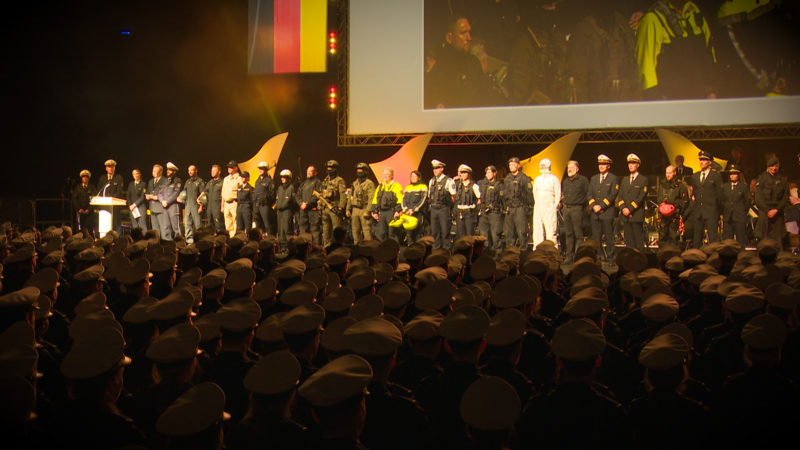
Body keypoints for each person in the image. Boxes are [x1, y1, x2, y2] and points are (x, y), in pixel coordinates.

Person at [634, 0, 717, 100]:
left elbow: (708, 51)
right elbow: (646, 67)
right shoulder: (651, 19)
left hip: (699, 95)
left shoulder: (694, 11)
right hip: (671, 98)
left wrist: (711, 90)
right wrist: (655, 100)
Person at [425, 15, 502, 109]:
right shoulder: (439, 67)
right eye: (463, 33)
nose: (469, 38)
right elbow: (434, 97)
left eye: (469, 32)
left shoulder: (474, 63)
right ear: (450, 38)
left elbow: (486, 97)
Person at [587, 154, 619, 261]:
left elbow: (613, 195)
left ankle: (611, 258)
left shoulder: (613, 178)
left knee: (609, 237)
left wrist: (601, 206)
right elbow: (589, 194)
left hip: (606, 213)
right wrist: (593, 205)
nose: (601, 166)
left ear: (608, 166)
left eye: (603, 164)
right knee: (596, 238)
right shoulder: (593, 178)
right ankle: (598, 257)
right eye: (600, 164)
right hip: (595, 214)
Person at [689, 151, 723, 247]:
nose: (701, 162)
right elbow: (694, 193)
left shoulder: (715, 176)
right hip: (698, 211)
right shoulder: (695, 176)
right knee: (697, 238)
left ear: (709, 162)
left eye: (704, 160)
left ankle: (714, 258)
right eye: (700, 160)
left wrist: (718, 210)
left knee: (713, 238)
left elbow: (719, 195)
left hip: (711, 211)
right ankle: (696, 258)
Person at [755, 156, 789, 245]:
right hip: (765, 214)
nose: (774, 168)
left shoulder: (782, 180)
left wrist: (776, 210)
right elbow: (758, 198)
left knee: (778, 241)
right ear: (768, 167)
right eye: (772, 166)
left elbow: (785, 197)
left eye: (776, 166)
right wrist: (767, 210)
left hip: (778, 214)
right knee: (764, 243)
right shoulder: (762, 179)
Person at [617, 153, 648, 251]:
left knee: (638, 242)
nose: (630, 165)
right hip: (625, 216)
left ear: (638, 165)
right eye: (629, 163)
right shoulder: (624, 180)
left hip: (636, 215)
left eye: (633, 163)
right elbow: (620, 196)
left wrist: (629, 209)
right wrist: (623, 208)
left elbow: (640, 197)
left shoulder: (643, 180)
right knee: (629, 243)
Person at [503, 156, 534, 249]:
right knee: (509, 233)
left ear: (518, 166)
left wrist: (529, 208)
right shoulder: (507, 179)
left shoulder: (524, 178)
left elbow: (529, 194)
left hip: (520, 208)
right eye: (510, 165)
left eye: (513, 164)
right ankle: (510, 252)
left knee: (521, 232)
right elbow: (504, 194)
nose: (511, 166)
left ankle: (523, 252)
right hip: (509, 209)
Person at [560, 160, 588, 264]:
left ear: (577, 169)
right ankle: (568, 257)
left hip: (577, 209)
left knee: (578, 234)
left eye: (572, 167)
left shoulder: (583, 180)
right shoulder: (566, 181)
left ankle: (578, 256)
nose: (569, 169)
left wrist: (581, 205)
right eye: (568, 168)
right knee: (569, 234)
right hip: (566, 209)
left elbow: (587, 194)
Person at [428, 159, 457, 250]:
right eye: (434, 168)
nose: (435, 170)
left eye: (437, 168)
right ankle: (436, 252)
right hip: (434, 209)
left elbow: (453, 197)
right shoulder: (431, 181)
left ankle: (446, 252)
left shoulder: (449, 181)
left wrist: (450, 210)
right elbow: (429, 196)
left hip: (444, 208)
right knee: (434, 232)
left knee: (445, 232)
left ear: (442, 169)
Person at [532, 158, 561, 247]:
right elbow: (535, 193)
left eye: (544, 165)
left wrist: (554, 207)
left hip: (550, 208)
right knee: (537, 231)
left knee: (551, 231)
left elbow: (557, 194)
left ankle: (552, 251)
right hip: (538, 208)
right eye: (541, 165)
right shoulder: (537, 179)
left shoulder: (554, 179)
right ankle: (537, 250)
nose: (542, 167)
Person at [657, 165, 688, 247]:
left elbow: (685, 202)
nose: (668, 175)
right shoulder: (662, 185)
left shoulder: (680, 186)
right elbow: (659, 198)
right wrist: (662, 205)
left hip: (675, 217)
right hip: (663, 217)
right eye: (666, 173)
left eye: (670, 173)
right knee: (662, 238)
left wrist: (675, 208)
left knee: (674, 238)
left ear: (674, 173)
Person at [477, 165, 504, 254]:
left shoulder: (499, 185)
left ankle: (498, 254)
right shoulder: (482, 184)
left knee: (495, 235)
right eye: (486, 172)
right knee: (484, 235)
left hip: (495, 213)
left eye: (489, 172)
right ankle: (485, 253)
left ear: (494, 173)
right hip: (484, 213)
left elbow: (503, 199)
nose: (487, 174)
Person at [371, 168, 403, 242]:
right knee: (381, 233)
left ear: (392, 176)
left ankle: (394, 250)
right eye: (384, 174)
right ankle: (383, 250)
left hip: (391, 212)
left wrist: (397, 211)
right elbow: (375, 199)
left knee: (392, 233)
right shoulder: (380, 186)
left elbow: (400, 199)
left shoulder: (396, 186)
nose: (385, 176)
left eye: (387, 174)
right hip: (381, 213)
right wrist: (374, 211)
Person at [347, 162, 376, 245]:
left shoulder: (369, 183)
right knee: (355, 232)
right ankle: (357, 250)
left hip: (364, 209)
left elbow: (371, 198)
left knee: (366, 232)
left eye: (361, 170)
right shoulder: (354, 183)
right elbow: (350, 196)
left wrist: (368, 211)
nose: (359, 172)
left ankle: (368, 250)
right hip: (355, 210)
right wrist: (348, 209)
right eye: (358, 170)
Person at [320, 160, 347, 247]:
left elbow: (343, 195)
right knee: (326, 231)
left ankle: (338, 248)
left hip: (334, 208)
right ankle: (327, 249)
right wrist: (320, 205)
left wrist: (341, 207)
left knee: (337, 231)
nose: (329, 169)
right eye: (328, 168)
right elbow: (321, 193)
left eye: (330, 168)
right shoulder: (325, 180)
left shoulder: (339, 180)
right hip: (325, 208)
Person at [721, 164, 749, 249]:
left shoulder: (743, 187)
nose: (732, 176)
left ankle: (741, 258)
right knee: (728, 241)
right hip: (728, 217)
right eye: (731, 174)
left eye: (735, 174)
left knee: (741, 240)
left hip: (739, 216)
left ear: (738, 175)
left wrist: (742, 212)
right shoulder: (725, 187)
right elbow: (722, 201)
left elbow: (747, 202)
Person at [296, 165, 323, 246]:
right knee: (303, 231)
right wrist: (301, 203)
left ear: (315, 173)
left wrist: (307, 203)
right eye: (307, 171)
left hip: (313, 211)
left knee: (315, 231)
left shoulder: (318, 182)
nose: (308, 172)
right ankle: (303, 249)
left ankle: (316, 250)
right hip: (303, 211)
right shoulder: (303, 183)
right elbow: (297, 195)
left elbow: (317, 196)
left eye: (310, 171)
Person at [454, 164, 481, 240]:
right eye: (461, 173)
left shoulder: (474, 186)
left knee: (469, 235)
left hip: (470, 213)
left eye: (464, 173)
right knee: (460, 235)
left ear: (468, 174)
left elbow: (479, 200)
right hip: (460, 213)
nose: (462, 174)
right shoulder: (458, 185)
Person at [401, 170, 428, 244]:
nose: (412, 178)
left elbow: (423, 200)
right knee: (409, 233)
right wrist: (406, 209)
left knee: (418, 233)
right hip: (408, 214)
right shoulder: (408, 187)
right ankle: (410, 247)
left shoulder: (423, 186)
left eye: (414, 176)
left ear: (418, 178)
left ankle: (418, 249)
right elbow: (403, 199)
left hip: (418, 213)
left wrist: (413, 210)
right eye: (411, 176)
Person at [146, 164, 171, 240]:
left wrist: (153, 197)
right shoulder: (151, 181)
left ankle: (165, 245)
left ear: (160, 172)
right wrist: (148, 196)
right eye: (152, 171)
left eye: (155, 171)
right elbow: (148, 192)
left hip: (161, 208)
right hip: (152, 208)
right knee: (155, 230)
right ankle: (157, 244)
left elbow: (164, 194)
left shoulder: (165, 181)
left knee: (164, 229)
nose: (153, 172)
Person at [183, 164, 205, 244]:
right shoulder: (188, 182)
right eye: (189, 170)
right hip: (188, 206)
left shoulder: (200, 181)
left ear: (196, 170)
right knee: (187, 225)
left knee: (198, 225)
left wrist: (201, 206)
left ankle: (200, 242)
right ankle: (189, 242)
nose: (190, 172)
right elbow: (184, 193)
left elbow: (203, 194)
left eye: (191, 170)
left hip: (196, 206)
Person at [275, 169, 297, 249]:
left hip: (287, 211)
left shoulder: (291, 188)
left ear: (288, 178)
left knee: (287, 230)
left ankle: (289, 247)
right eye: (282, 177)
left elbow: (294, 201)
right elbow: (277, 199)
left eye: (284, 177)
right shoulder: (280, 188)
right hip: (280, 212)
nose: (282, 179)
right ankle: (282, 247)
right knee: (280, 231)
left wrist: (294, 211)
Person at [222, 160, 244, 238]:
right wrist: (222, 206)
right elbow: (223, 193)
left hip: (235, 203)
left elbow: (242, 192)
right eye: (228, 167)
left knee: (236, 223)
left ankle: (235, 240)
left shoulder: (239, 178)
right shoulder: (226, 179)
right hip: (226, 204)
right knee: (228, 224)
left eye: (231, 167)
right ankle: (229, 239)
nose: (229, 168)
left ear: (236, 168)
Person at [254, 161, 276, 236]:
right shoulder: (257, 181)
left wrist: (270, 204)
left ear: (266, 170)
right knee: (258, 225)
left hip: (265, 205)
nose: (260, 170)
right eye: (259, 168)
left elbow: (272, 194)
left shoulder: (269, 181)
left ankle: (271, 240)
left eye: (262, 169)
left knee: (267, 224)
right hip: (257, 205)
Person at [163, 162, 183, 240]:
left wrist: (167, 201)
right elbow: (161, 192)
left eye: (170, 170)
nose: (168, 171)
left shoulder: (177, 180)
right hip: (165, 206)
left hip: (173, 206)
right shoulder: (165, 181)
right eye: (167, 170)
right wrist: (163, 201)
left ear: (174, 171)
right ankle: (168, 244)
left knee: (176, 228)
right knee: (167, 227)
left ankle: (179, 243)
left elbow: (176, 193)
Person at [72, 169, 95, 237]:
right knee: (81, 228)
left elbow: (94, 199)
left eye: (86, 176)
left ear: (89, 178)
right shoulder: (77, 187)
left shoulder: (92, 187)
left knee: (90, 228)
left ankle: (91, 241)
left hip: (89, 211)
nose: (85, 178)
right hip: (81, 211)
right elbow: (74, 199)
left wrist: (89, 209)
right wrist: (79, 209)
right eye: (83, 176)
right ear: (81, 178)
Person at [203, 164, 225, 234]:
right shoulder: (210, 182)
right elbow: (205, 191)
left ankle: (220, 240)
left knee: (219, 226)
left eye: (214, 170)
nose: (212, 172)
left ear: (219, 172)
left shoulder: (222, 182)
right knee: (210, 226)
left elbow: (224, 195)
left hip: (217, 207)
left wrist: (222, 206)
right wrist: (199, 198)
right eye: (211, 170)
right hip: (209, 207)